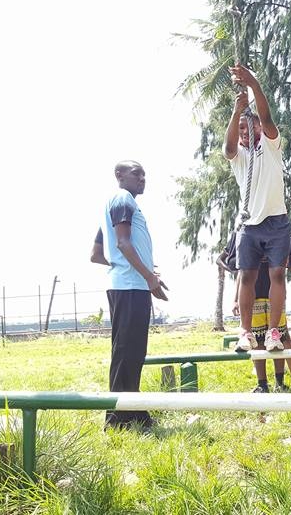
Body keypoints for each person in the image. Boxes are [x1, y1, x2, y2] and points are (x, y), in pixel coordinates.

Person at [93, 160, 168, 431]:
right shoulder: (122, 198)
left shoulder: (118, 205)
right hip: (129, 286)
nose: (142, 178)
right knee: (126, 352)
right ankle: (117, 419)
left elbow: (97, 254)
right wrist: (148, 276)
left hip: (130, 284)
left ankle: (133, 411)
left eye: (144, 175)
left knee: (133, 351)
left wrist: (143, 269)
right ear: (119, 175)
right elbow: (123, 243)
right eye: (137, 174)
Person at [224, 64, 291, 354]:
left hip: (276, 221)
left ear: (258, 129)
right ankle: (246, 332)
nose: (243, 132)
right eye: (239, 128)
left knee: (277, 275)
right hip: (249, 224)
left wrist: (253, 84)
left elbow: (266, 117)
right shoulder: (240, 157)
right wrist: (236, 112)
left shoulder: (272, 146)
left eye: (247, 126)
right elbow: (228, 148)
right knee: (247, 276)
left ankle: (274, 331)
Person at [233, 257, 291, 392]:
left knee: (278, 338)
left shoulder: (279, 241)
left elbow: (286, 263)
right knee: (257, 339)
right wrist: (236, 299)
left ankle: (280, 382)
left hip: (275, 295)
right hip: (252, 295)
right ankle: (262, 384)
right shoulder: (244, 242)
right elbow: (241, 271)